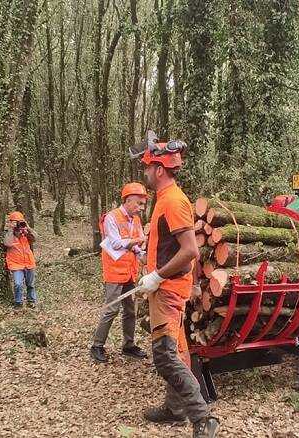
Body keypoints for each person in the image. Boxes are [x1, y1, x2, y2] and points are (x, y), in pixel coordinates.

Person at [131, 132, 220, 437]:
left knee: (165, 356)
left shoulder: (173, 201)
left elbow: (191, 251)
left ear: (159, 169)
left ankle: (203, 418)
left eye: (147, 168)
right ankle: (174, 408)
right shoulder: (165, 199)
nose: (145, 173)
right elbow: (174, 247)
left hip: (168, 290)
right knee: (179, 351)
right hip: (167, 287)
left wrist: (157, 276)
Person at [90, 182, 149, 363]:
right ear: (128, 200)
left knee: (130, 311)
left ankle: (128, 345)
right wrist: (138, 240)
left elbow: (137, 246)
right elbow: (115, 243)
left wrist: (143, 254)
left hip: (130, 272)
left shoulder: (136, 220)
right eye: (139, 203)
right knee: (111, 309)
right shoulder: (112, 217)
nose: (141, 208)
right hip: (114, 273)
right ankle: (97, 346)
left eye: (143, 204)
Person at [3, 211, 38, 307]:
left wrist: (28, 228)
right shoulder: (8, 233)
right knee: (18, 284)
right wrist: (11, 229)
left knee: (30, 284)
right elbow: (7, 243)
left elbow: (35, 238)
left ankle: (31, 301)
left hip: (29, 262)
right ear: (11, 222)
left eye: (20, 221)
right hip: (16, 264)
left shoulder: (25, 232)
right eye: (16, 221)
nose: (18, 224)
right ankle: (18, 303)